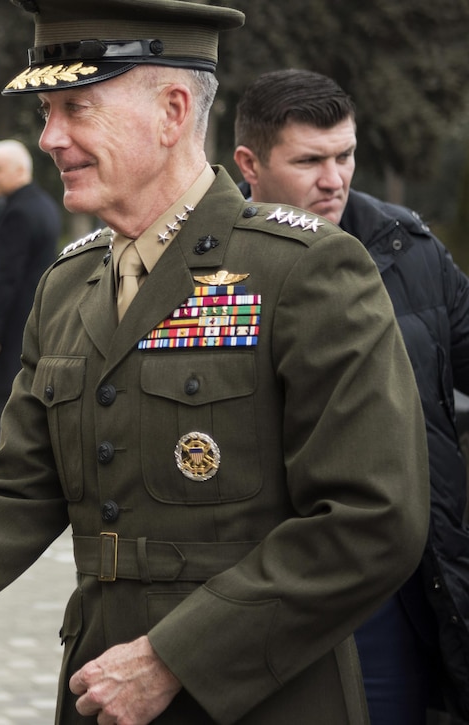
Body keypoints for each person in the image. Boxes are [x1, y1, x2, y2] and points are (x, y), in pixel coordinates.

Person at [0, 0, 432, 722]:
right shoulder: (70, 284)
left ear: (171, 111)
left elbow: (373, 519)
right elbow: (16, 489)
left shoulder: (304, 271)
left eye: (76, 108)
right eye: (46, 113)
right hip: (100, 694)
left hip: (261, 697)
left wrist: (173, 657)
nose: (49, 138)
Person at [233, 68, 469, 725]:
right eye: (310, 160)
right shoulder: (208, 268)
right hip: (269, 592)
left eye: (346, 155)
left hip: (407, 586)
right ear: (249, 163)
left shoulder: (409, 249)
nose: (334, 179)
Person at [0, 139, 61, 444]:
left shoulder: (17, 213)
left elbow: (5, 278)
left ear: (20, 170)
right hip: (38, 324)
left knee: (8, 414)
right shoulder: (45, 205)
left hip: (14, 331)